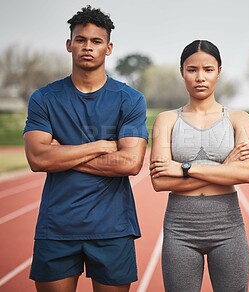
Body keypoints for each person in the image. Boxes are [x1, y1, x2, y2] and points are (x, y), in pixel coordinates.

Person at [23, 5, 148, 292]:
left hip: (113, 227)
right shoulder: (44, 98)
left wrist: (62, 153)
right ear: (69, 45)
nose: (87, 47)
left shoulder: (129, 99)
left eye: (96, 41)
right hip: (57, 227)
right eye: (80, 40)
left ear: (109, 47)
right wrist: (100, 146)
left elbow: (130, 163)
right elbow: (37, 158)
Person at [149, 40, 249, 292]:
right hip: (180, 227)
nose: (200, 77)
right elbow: (160, 181)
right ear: (182, 72)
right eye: (192, 69)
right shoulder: (166, 121)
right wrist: (224, 169)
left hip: (228, 225)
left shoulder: (239, 119)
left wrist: (184, 168)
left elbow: (245, 173)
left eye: (208, 69)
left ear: (219, 71)